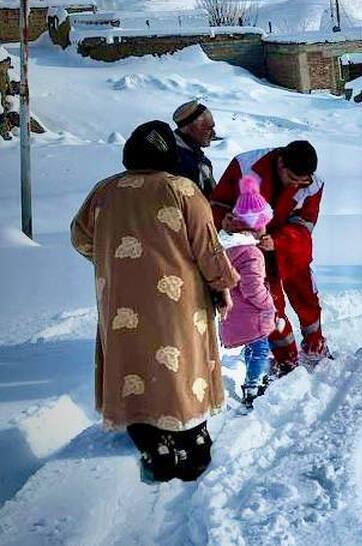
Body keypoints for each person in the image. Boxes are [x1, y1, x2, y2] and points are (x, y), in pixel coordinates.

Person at [70, 120, 238, 482]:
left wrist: (114, 261)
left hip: (120, 299)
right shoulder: (183, 190)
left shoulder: (105, 191)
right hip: (178, 300)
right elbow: (208, 249)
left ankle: (149, 438)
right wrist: (222, 285)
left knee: (133, 359)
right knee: (181, 360)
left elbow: (81, 238)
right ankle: (191, 439)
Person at [210, 140, 327, 373]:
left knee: (306, 298)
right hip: (251, 250)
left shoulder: (313, 184)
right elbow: (218, 203)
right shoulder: (245, 165)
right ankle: (287, 360)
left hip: (291, 249)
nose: (296, 185)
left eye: (301, 182)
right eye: (293, 179)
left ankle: (315, 346)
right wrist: (224, 220)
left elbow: (305, 223)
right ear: (281, 164)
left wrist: (280, 241)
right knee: (269, 307)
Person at [217, 175, 277, 408]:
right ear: (255, 225)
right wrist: (267, 304)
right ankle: (254, 386)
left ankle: (253, 378)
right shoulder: (251, 253)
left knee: (253, 348)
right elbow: (252, 286)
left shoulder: (228, 247)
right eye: (263, 223)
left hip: (234, 312)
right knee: (261, 348)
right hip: (252, 313)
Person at [171, 100, 217, 197]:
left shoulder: (199, 159)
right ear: (191, 129)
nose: (213, 134)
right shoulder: (178, 163)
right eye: (208, 128)